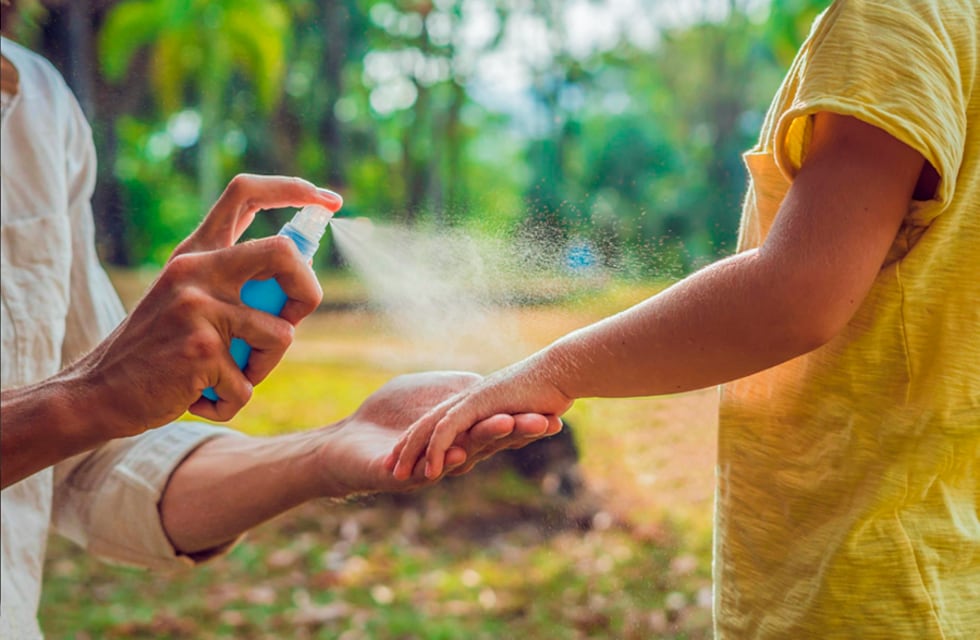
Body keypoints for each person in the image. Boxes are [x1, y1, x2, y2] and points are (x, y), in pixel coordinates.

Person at [389, 1, 979, 638]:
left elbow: (798, 292)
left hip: (862, 575)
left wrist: (554, 369)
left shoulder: (894, 14)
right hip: (941, 549)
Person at [0, 32, 560, 639]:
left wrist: (328, 450)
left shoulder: (39, 108)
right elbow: (77, 411)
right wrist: (94, 394)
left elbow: (92, 468)